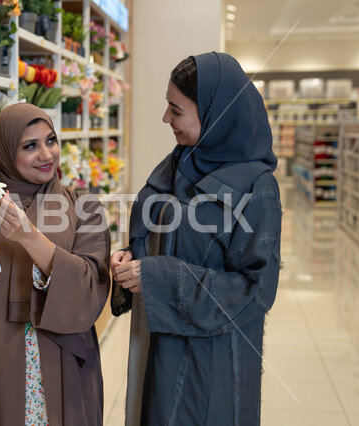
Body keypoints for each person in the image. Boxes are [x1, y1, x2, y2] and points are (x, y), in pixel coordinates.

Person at [111, 52, 282, 425]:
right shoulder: (181, 161)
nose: (165, 119)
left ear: (215, 113)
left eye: (176, 109)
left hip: (212, 357)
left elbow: (256, 288)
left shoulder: (256, 187)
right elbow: (165, 233)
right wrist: (131, 255)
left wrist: (157, 276)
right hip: (160, 342)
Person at [0, 103, 111, 426]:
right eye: (30, 146)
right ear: (5, 153)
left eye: (51, 140)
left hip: (60, 365)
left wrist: (29, 237)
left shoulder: (84, 208)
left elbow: (90, 288)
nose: (47, 154)